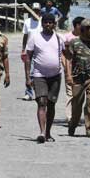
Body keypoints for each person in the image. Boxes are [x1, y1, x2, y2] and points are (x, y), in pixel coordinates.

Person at [24, 13, 64, 143]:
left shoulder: (59, 38)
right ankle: (41, 132)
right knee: (42, 102)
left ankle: (48, 133)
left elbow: (66, 55)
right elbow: (28, 57)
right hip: (39, 75)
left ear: (54, 24)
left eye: (50, 22)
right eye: (45, 22)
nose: (48, 24)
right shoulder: (34, 37)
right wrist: (27, 77)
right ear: (42, 24)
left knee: (51, 104)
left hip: (55, 76)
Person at [65, 19, 90, 138]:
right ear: (84, 30)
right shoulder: (74, 43)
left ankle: (89, 128)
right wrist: (69, 76)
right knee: (77, 105)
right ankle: (73, 124)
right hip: (77, 78)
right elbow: (69, 60)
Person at [62, 16, 85, 121]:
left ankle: (76, 115)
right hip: (70, 69)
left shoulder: (85, 38)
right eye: (82, 25)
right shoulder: (67, 37)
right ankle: (69, 117)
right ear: (77, 26)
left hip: (82, 71)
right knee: (69, 92)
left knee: (79, 94)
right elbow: (63, 54)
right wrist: (66, 68)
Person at [21, 2, 42, 100]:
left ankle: (39, 92)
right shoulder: (27, 22)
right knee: (28, 72)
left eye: (37, 10)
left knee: (39, 72)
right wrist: (23, 49)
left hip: (41, 50)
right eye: (34, 10)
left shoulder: (42, 21)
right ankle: (28, 93)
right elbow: (25, 36)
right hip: (29, 50)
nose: (36, 12)